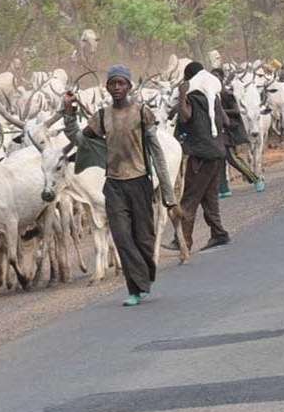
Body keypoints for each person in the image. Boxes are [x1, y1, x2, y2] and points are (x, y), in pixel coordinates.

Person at [63, 64, 175, 307]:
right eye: (112, 83)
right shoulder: (102, 116)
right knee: (122, 238)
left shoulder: (142, 112)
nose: (116, 87)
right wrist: (69, 115)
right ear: (107, 87)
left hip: (139, 182)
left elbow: (156, 152)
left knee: (144, 238)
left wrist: (167, 192)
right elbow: (80, 140)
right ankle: (135, 288)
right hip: (114, 185)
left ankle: (144, 275)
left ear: (129, 86)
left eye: (121, 83)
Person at [173, 61, 232, 252]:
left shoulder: (193, 97)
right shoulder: (213, 97)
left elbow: (184, 116)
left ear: (189, 78)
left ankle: (182, 240)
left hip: (201, 155)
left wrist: (182, 95)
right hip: (217, 153)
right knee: (209, 197)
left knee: (189, 198)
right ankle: (219, 233)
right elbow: (226, 121)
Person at [212, 67, 264, 198]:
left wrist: (220, 111)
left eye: (216, 76)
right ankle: (224, 189)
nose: (214, 79)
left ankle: (256, 179)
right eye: (212, 77)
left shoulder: (227, 94)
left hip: (228, 131)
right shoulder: (211, 95)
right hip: (217, 132)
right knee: (219, 160)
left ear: (221, 78)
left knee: (233, 159)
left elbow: (236, 110)